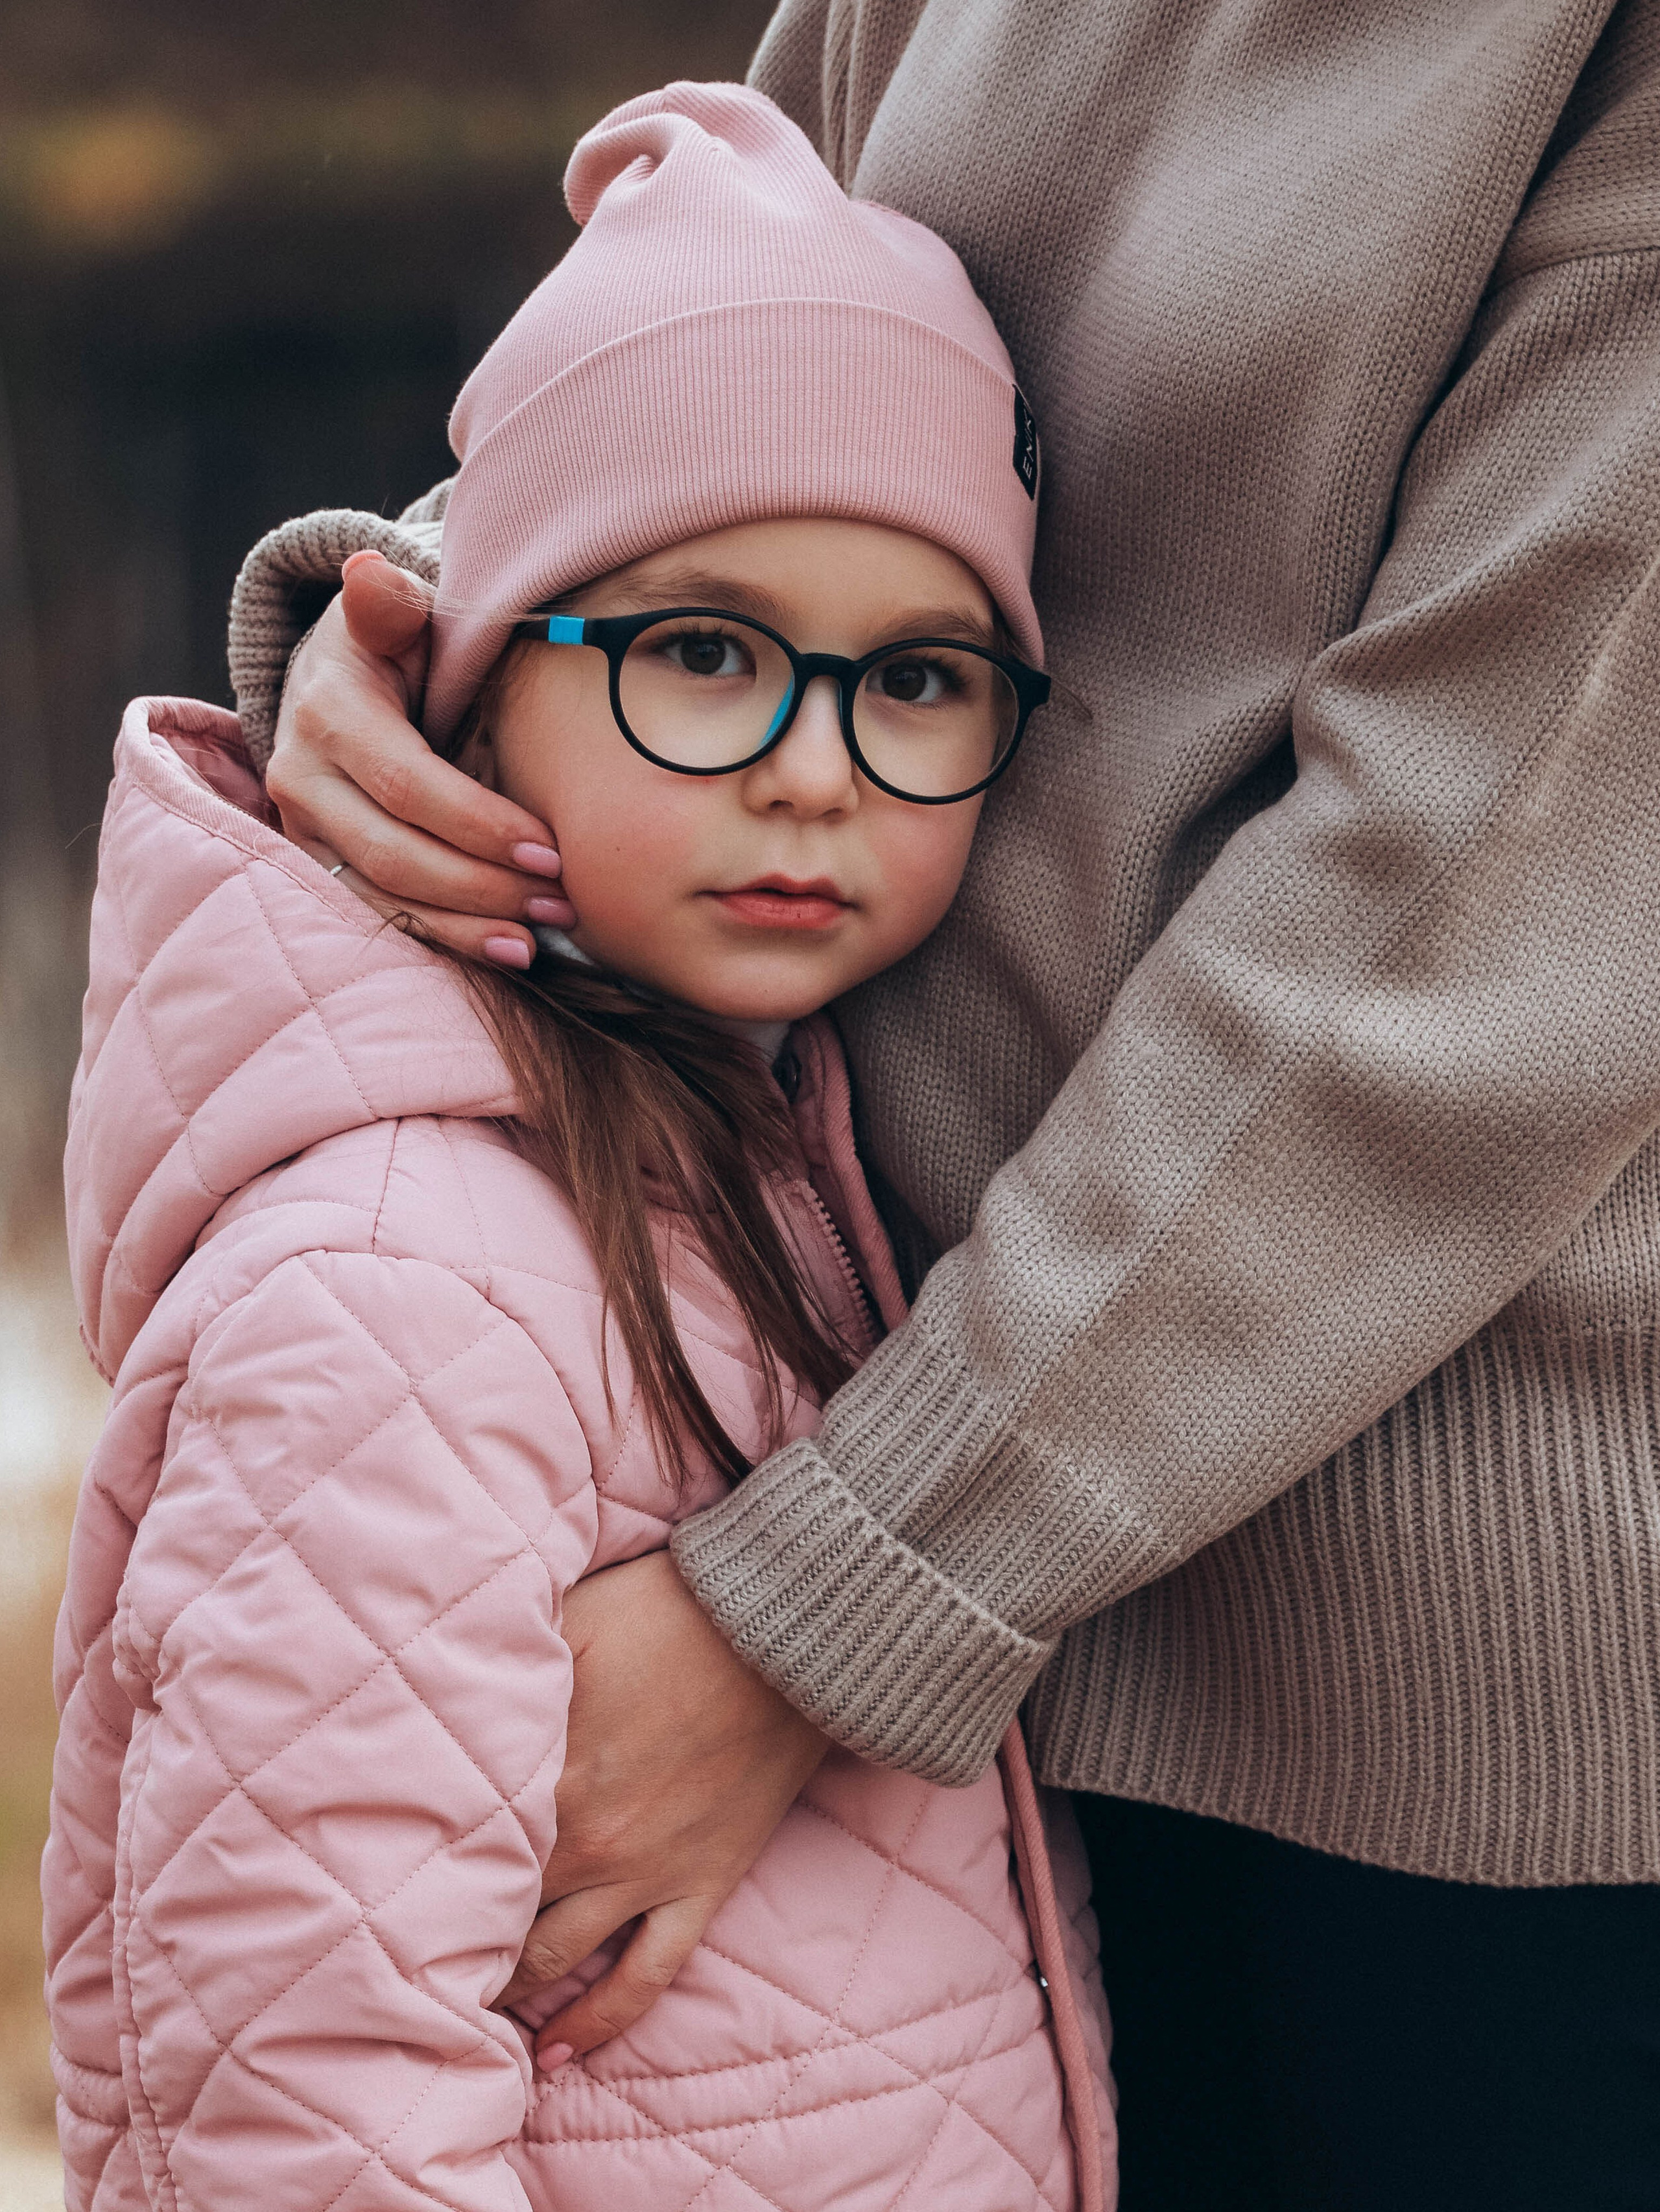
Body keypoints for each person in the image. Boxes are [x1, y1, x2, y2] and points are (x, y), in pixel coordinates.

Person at [232, 3, 1660, 2206]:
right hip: (835, 1509)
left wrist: (835, 1593)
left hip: (1404, 1778)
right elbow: (753, 314)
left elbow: (1468, 916)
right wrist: (436, 614)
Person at [43, 84, 1117, 2212]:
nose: (817, 770)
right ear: (465, 676)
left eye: (913, 678)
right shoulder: (403, 1277)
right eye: (701, 655)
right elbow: (306, 2085)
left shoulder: (786, 1172)